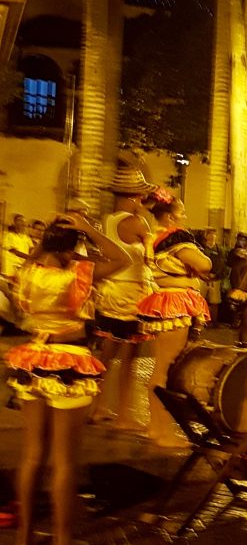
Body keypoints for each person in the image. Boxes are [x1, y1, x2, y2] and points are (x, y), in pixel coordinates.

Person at [4, 214, 129, 545]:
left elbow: (35, 258)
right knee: (64, 461)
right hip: (69, 361)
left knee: (31, 455)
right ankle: (61, 543)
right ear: (73, 245)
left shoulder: (27, 272)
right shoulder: (77, 275)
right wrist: (91, 229)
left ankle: (24, 537)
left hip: (33, 357)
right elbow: (123, 259)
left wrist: (51, 238)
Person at [137, 191, 212, 447]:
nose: (184, 216)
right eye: (181, 212)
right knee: (166, 368)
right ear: (169, 215)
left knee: (163, 365)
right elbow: (204, 265)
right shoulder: (174, 237)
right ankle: (162, 431)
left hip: (168, 298)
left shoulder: (152, 236)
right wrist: (197, 268)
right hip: (176, 303)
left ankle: (156, 427)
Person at [91, 166, 154, 431]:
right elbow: (151, 256)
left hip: (110, 291)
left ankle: (95, 407)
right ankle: (124, 416)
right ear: (135, 197)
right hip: (130, 294)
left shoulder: (107, 220)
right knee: (129, 358)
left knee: (105, 356)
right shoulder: (137, 223)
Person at [199, 227, 227, 323]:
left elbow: (222, 264)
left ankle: (214, 322)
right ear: (206, 236)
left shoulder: (220, 250)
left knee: (215, 302)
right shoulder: (201, 249)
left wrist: (215, 275)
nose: (212, 236)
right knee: (200, 300)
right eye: (210, 234)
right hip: (202, 278)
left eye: (214, 234)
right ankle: (200, 321)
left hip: (215, 279)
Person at [2, 214, 31, 281]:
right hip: (11, 266)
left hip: (22, 266)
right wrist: (29, 257)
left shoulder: (26, 238)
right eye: (19, 220)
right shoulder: (9, 236)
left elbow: (31, 249)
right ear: (14, 223)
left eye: (23, 221)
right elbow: (14, 251)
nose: (22, 223)